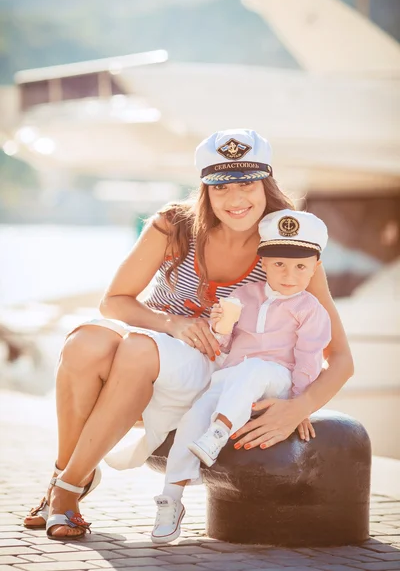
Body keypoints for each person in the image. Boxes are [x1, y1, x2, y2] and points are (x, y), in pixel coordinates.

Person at [22, 128, 353, 541]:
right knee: (83, 344)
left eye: (247, 184)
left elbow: (340, 357)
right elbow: (115, 301)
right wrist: (173, 323)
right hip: (160, 339)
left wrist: (297, 406)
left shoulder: (288, 242)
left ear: (266, 182)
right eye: (221, 187)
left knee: (139, 350)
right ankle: (68, 475)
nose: (235, 200)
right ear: (205, 190)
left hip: (213, 365)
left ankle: (65, 492)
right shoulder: (176, 225)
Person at [151, 209, 331, 544]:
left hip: (276, 379)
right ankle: (171, 500)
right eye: (279, 264)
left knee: (255, 369)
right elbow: (221, 347)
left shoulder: (311, 310)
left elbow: (309, 361)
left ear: (314, 267)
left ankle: (219, 432)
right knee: (192, 419)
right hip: (231, 377)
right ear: (263, 263)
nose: (289, 274)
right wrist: (221, 325)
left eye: (301, 266)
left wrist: (298, 405)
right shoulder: (243, 297)